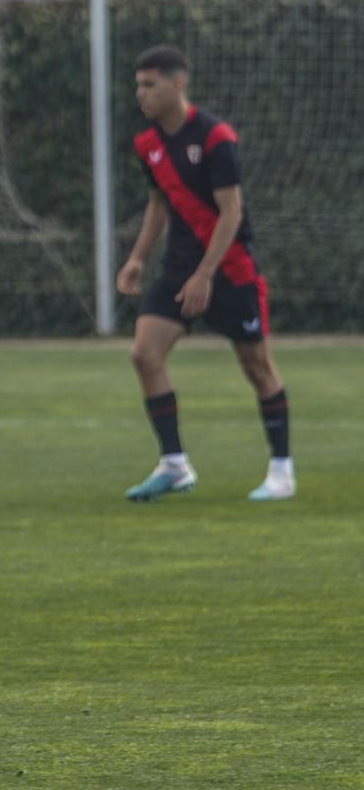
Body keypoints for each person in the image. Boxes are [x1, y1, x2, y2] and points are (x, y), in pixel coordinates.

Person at [117, 45, 293, 502]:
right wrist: (137, 258)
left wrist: (206, 273)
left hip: (230, 268)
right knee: (145, 354)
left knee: (257, 367)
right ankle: (174, 465)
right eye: (138, 85)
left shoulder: (216, 137)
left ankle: (282, 471)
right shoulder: (147, 144)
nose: (141, 94)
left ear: (178, 84)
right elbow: (158, 204)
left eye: (150, 85)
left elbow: (232, 213)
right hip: (179, 268)